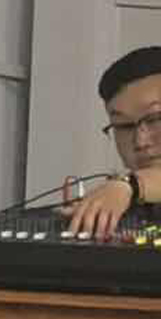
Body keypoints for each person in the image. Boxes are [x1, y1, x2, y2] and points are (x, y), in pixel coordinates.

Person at [61, 45, 161, 240]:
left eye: (155, 118)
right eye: (124, 126)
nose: (140, 141)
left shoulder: (127, 188)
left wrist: (129, 185)